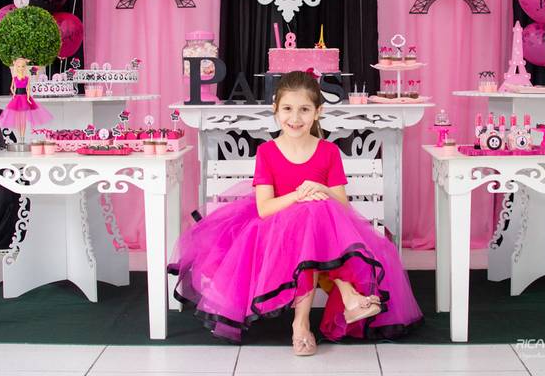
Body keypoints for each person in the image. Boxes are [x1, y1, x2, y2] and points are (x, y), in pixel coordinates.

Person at [168, 71, 421, 355]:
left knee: (317, 212)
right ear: (276, 111)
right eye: (287, 109)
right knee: (310, 213)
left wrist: (320, 188)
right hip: (272, 235)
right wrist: (299, 195)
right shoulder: (268, 152)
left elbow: (341, 205)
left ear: (318, 112)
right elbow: (265, 209)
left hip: (319, 237)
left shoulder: (327, 152)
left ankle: (303, 322)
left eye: (304, 109)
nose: (295, 118)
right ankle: (342, 298)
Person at [0, 58, 52, 140]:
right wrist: (14, 94)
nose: (21, 68)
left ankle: (22, 138)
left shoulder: (27, 78)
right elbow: (11, 88)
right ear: (16, 67)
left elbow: (28, 89)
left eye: (22, 66)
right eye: (19, 66)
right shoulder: (14, 78)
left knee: (23, 120)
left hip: (24, 98)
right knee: (18, 120)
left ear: (25, 67)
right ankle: (20, 138)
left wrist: (28, 98)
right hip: (17, 98)